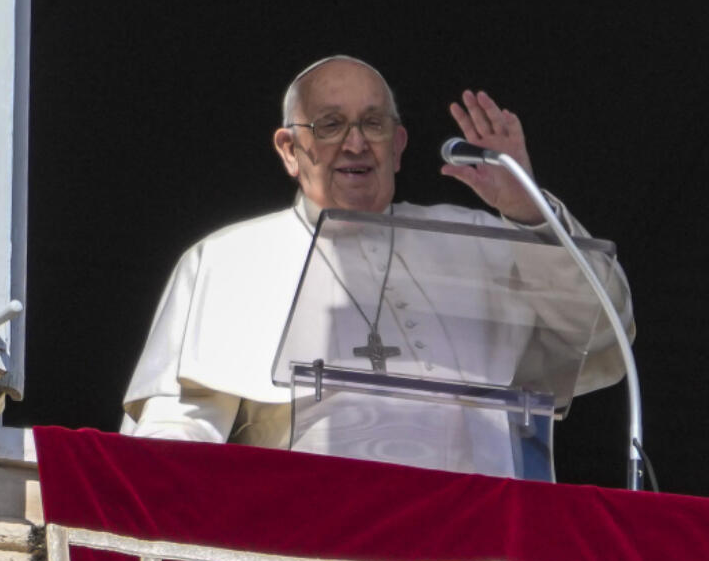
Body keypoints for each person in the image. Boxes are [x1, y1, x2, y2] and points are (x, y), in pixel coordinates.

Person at [121, 55, 633, 477]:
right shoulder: (228, 258)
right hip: (316, 548)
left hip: (479, 546)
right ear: (289, 149)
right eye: (330, 124)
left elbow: (600, 327)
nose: (356, 142)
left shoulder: (481, 239)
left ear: (399, 146)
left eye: (373, 123)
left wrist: (526, 210)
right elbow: (178, 426)